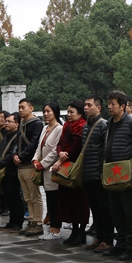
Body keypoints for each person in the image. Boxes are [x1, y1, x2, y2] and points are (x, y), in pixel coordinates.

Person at [101, 90, 132, 260]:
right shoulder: (109, 123)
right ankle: (120, 243)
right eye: (109, 104)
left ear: (123, 106)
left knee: (129, 211)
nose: (110, 107)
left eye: (113, 104)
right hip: (112, 173)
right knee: (116, 211)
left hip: (127, 173)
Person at [50, 100, 90, 246]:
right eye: (68, 112)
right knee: (68, 202)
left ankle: (81, 231)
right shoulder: (66, 126)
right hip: (65, 166)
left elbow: (77, 145)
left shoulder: (82, 127)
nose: (69, 115)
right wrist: (60, 153)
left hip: (76, 168)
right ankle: (74, 231)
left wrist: (62, 157)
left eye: (72, 112)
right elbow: (60, 143)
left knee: (80, 202)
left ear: (80, 113)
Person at [81, 95, 113, 252]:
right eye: (85, 105)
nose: (86, 108)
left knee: (104, 208)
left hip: (98, 174)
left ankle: (108, 239)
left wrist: (101, 171)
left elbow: (106, 151)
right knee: (95, 208)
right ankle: (99, 237)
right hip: (87, 174)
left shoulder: (104, 125)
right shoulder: (86, 126)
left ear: (98, 108)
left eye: (89, 105)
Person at [15, 98, 45, 235]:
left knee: (34, 196)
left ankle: (38, 222)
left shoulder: (37, 124)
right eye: (19, 107)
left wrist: (21, 156)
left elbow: (34, 143)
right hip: (21, 165)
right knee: (27, 196)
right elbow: (16, 141)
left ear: (31, 108)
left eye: (23, 107)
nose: (21, 110)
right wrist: (15, 154)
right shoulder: (21, 123)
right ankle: (31, 220)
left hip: (30, 164)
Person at [34, 103, 63, 240]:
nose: (45, 114)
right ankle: (52, 228)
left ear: (55, 113)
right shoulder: (45, 128)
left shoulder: (59, 129)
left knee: (55, 201)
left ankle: (56, 229)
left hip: (52, 169)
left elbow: (55, 151)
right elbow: (39, 147)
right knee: (49, 199)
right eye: (44, 111)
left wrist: (43, 164)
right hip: (43, 168)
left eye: (48, 111)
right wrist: (35, 160)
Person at [0, 112, 26, 232]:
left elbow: (10, 155)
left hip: (13, 171)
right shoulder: (6, 136)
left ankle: (18, 222)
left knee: (15, 197)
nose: (6, 123)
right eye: (6, 121)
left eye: (9, 121)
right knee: (8, 197)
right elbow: (0, 153)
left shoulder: (17, 137)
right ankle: (11, 221)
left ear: (17, 124)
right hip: (4, 171)